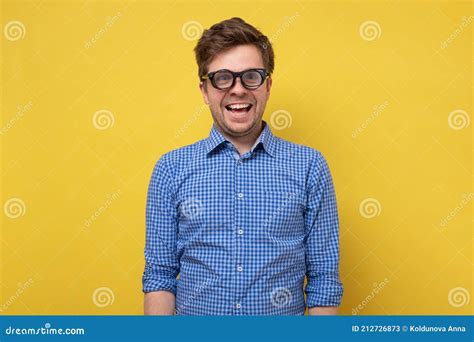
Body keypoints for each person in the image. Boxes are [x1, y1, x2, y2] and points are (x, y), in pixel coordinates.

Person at [143, 17, 343, 315]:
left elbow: (323, 280)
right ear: (204, 90)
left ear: (268, 85)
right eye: (222, 78)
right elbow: (159, 276)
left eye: (251, 76)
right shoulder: (170, 169)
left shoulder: (309, 166)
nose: (237, 89)